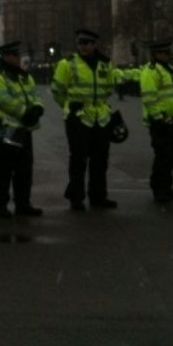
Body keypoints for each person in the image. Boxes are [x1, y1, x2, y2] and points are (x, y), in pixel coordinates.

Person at [51, 28, 118, 211]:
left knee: (100, 159)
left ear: (94, 44)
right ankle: (76, 197)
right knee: (78, 159)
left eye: (87, 43)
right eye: (80, 43)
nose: (83, 46)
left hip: (100, 116)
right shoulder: (67, 64)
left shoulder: (105, 64)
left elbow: (109, 87)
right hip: (78, 117)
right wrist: (68, 106)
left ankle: (98, 196)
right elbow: (57, 89)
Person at [0, 41, 44, 218]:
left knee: (24, 170)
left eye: (18, 55)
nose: (18, 59)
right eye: (14, 56)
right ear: (6, 56)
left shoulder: (23, 76)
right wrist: (25, 112)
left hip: (23, 130)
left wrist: (37, 107)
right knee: (2, 172)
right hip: (5, 129)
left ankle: (23, 204)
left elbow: (34, 94)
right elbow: (2, 99)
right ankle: (0, 206)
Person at [140, 40, 173, 203]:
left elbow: (172, 96)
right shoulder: (150, 71)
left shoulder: (168, 70)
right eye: (164, 53)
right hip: (160, 122)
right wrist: (159, 118)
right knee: (162, 157)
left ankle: (167, 186)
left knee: (171, 156)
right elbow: (150, 99)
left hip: (171, 120)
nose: (168, 56)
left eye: (168, 53)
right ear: (156, 55)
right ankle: (158, 189)